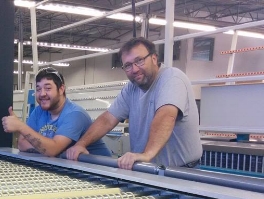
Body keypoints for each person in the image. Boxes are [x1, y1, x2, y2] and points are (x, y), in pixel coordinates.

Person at [66, 37, 203, 169]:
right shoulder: (131, 88)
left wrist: (146, 155)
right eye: (128, 65)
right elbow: (108, 119)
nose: (135, 69)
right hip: (148, 169)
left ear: (154, 58)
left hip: (181, 172)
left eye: (140, 61)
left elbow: (166, 116)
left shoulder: (172, 78)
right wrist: (81, 144)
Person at [2, 67, 111, 157]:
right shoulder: (39, 111)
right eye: (38, 89)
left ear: (61, 89)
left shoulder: (74, 114)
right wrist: (46, 148)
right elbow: (22, 144)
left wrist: (21, 126)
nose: (42, 94)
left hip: (99, 171)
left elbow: (52, 150)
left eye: (48, 88)